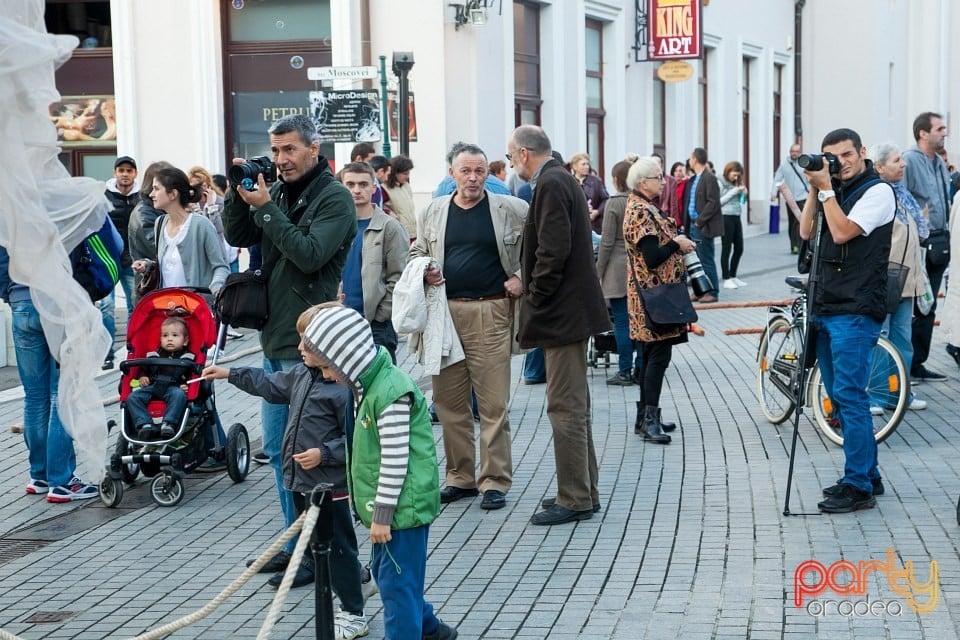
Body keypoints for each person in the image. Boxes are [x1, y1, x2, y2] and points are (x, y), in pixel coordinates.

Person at [222, 113, 356, 579]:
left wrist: (265, 208)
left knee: (308, 457)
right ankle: (295, 538)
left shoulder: (335, 198)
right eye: (275, 151)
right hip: (277, 335)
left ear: (313, 149)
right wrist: (238, 192)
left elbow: (309, 253)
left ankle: (316, 552)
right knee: (282, 452)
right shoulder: (275, 191)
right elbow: (238, 235)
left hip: (314, 344)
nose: (280, 160)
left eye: (289, 150)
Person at [201, 307, 370, 640]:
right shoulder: (300, 374)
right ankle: (352, 574)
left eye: (308, 341)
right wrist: (230, 373)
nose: (301, 346)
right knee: (324, 547)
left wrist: (325, 453)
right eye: (301, 339)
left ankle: (353, 612)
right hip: (299, 482)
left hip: (328, 487)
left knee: (337, 547)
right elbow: (268, 383)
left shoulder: (343, 389)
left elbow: (356, 442)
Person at [300, 304, 457, 640]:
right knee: (395, 577)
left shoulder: (389, 391)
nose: (326, 376)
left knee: (396, 585)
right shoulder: (366, 386)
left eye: (328, 367)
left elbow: (395, 459)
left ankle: (412, 631)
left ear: (348, 358)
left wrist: (382, 514)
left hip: (402, 509)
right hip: (388, 509)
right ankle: (430, 629)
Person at [410, 142, 527, 511]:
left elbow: (537, 251)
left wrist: (521, 277)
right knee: (448, 403)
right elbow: (415, 253)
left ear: (488, 175)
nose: (473, 178)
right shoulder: (432, 212)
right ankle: (459, 476)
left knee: (493, 403)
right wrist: (423, 269)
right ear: (452, 175)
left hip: (490, 312)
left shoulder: (511, 209)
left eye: (480, 172)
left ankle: (493, 481)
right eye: (466, 172)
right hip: (444, 315)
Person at [508, 125, 610, 525]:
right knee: (574, 406)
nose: (513, 161)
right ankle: (583, 490)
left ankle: (576, 498)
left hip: (562, 313)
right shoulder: (560, 179)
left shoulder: (550, 183)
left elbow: (553, 250)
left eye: (510, 154)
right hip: (570, 311)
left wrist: (536, 294)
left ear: (522, 154)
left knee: (564, 407)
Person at [799, 127, 894, 513]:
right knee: (839, 399)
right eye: (832, 156)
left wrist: (825, 190)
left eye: (846, 154)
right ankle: (868, 474)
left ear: (862, 152)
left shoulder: (878, 192)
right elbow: (807, 231)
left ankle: (858, 487)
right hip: (826, 306)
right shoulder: (830, 187)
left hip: (854, 311)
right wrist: (815, 186)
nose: (841, 161)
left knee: (852, 399)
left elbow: (840, 233)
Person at [0, 248, 99, 503]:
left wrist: (10, 292)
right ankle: (61, 480)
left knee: (34, 395)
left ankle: (40, 475)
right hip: (56, 302)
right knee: (61, 393)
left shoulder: (13, 208)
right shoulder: (59, 207)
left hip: (22, 302)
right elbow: (78, 250)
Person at [623, 157, 698, 445]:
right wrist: (676, 244)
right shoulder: (641, 211)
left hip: (655, 294)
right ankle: (649, 420)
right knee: (656, 357)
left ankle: (645, 416)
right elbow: (652, 257)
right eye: (658, 177)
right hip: (652, 297)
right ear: (643, 182)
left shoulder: (645, 206)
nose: (664, 181)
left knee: (652, 357)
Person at [870, 142, 929, 413]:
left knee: (902, 340)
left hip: (906, 281)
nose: (903, 165)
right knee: (879, 339)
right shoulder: (875, 196)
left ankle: (899, 394)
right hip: (884, 279)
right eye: (896, 161)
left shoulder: (903, 195)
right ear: (879, 167)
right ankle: (875, 395)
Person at [339, 161, 409, 362]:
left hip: (376, 326)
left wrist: (381, 315)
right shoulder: (334, 226)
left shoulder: (390, 228)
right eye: (350, 185)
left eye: (363, 184)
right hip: (340, 321)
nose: (356, 190)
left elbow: (400, 278)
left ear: (373, 187)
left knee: (379, 389)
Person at [903, 112, 951, 382]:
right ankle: (906, 364)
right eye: (939, 128)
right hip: (921, 243)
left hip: (941, 241)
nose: (944, 132)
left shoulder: (939, 163)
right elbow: (900, 198)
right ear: (923, 133)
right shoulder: (909, 160)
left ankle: (918, 363)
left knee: (929, 304)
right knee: (915, 305)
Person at [131, 167, 229, 296]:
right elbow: (170, 264)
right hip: (166, 307)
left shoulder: (201, 225)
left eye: (156, 188)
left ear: (173, 194)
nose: (151, 194)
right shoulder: (160, 223)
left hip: (195, 309)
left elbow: (221, 266)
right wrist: (147, 266)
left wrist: (215, 288)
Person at [596, 157, 642, 386]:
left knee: (622, 322)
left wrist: (598, 271)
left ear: (616, 179)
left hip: (616, 269)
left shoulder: (614, 203)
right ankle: (641, 368)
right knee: (640, 321)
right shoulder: (639, 201)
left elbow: (606, 242)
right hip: (639, 269)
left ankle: (625, 369)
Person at [126, 317, 195, 440]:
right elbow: (143, 369)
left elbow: (193, 376)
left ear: (185, 341)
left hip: (174, 388)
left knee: (179, 395)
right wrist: (143, 377)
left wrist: (186, 384)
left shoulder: (188, 357)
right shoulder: (153, 355)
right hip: (153, 386)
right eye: (165, 335)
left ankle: (168, 423)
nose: (169, 339)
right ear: (160, 339)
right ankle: (145, 424)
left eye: (175, 335)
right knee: (132, 397)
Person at [101, 155, 140, 369]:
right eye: (121, 170)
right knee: (106, 306)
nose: (125, 174)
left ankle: (132, 349)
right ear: (115, 172)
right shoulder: (104, 195)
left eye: (129, 170)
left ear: (135, 173)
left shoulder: (142, 197)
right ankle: (107, 353)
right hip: (108, 260)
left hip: (132, 261)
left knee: (134, 305)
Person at [127, 160, 173, 303]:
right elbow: (165, 249)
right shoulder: (144, 215)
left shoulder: (156, 211)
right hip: (152, 289)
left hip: (159, 286)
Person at [681, 148, 721, 303]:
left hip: (702, 226)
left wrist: (699, 221)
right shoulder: (695, 178)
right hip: (691, 225)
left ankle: (712, 292)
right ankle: (700, 290)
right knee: (694, 260)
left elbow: (713, 202)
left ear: (695, 159)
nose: (689, 160)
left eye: (691, 157)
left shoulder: (709, 177)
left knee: (706, 259)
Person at [433, 141, 512, 197]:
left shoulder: (445, 185)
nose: (473, 178)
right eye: (465, 171)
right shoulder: (501, 186)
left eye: (478, 171)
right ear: (452, 171)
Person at [771, 144, 810, 255]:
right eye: (792, 151)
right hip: (790, 199)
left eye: (797, 151)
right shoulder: (784, 166)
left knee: (802, 222)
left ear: (800, 152)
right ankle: (794, 246)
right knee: (793, 223)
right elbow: (777, 179)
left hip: (803, 197)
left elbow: (810, 179)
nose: (794, 153)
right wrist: (774, 193)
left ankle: (803, 244)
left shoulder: (804, 164)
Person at [718, 161, 748, 289]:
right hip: (725, 217)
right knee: (726, 248)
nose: (735, 178)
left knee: (739, 247)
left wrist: (744, 194)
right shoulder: (720, 182)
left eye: (738, 175)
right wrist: (734, 191)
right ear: (728, 171)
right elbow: (719, 202)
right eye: (734, 175)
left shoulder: (736, 182)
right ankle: (726, 278)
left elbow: (742, 202)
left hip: (736, 216)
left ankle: (733, 275)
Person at [569, 152, 609, 235]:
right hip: (574, 225)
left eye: (587, 164)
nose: (586, 167)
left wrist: (597, 212)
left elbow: (606, 199)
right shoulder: (569, 181)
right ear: (574, 166)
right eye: (583, 164)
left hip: (593, 225)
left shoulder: (596, 181)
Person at [384, 154, 416, 240]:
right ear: (395, 173)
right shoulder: (384, 188)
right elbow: (378, 208)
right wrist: (390, 214)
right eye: (405, 174)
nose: (407, 176)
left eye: (408, 173)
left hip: (412, 233)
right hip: (397, 234)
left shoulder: (406, 186)